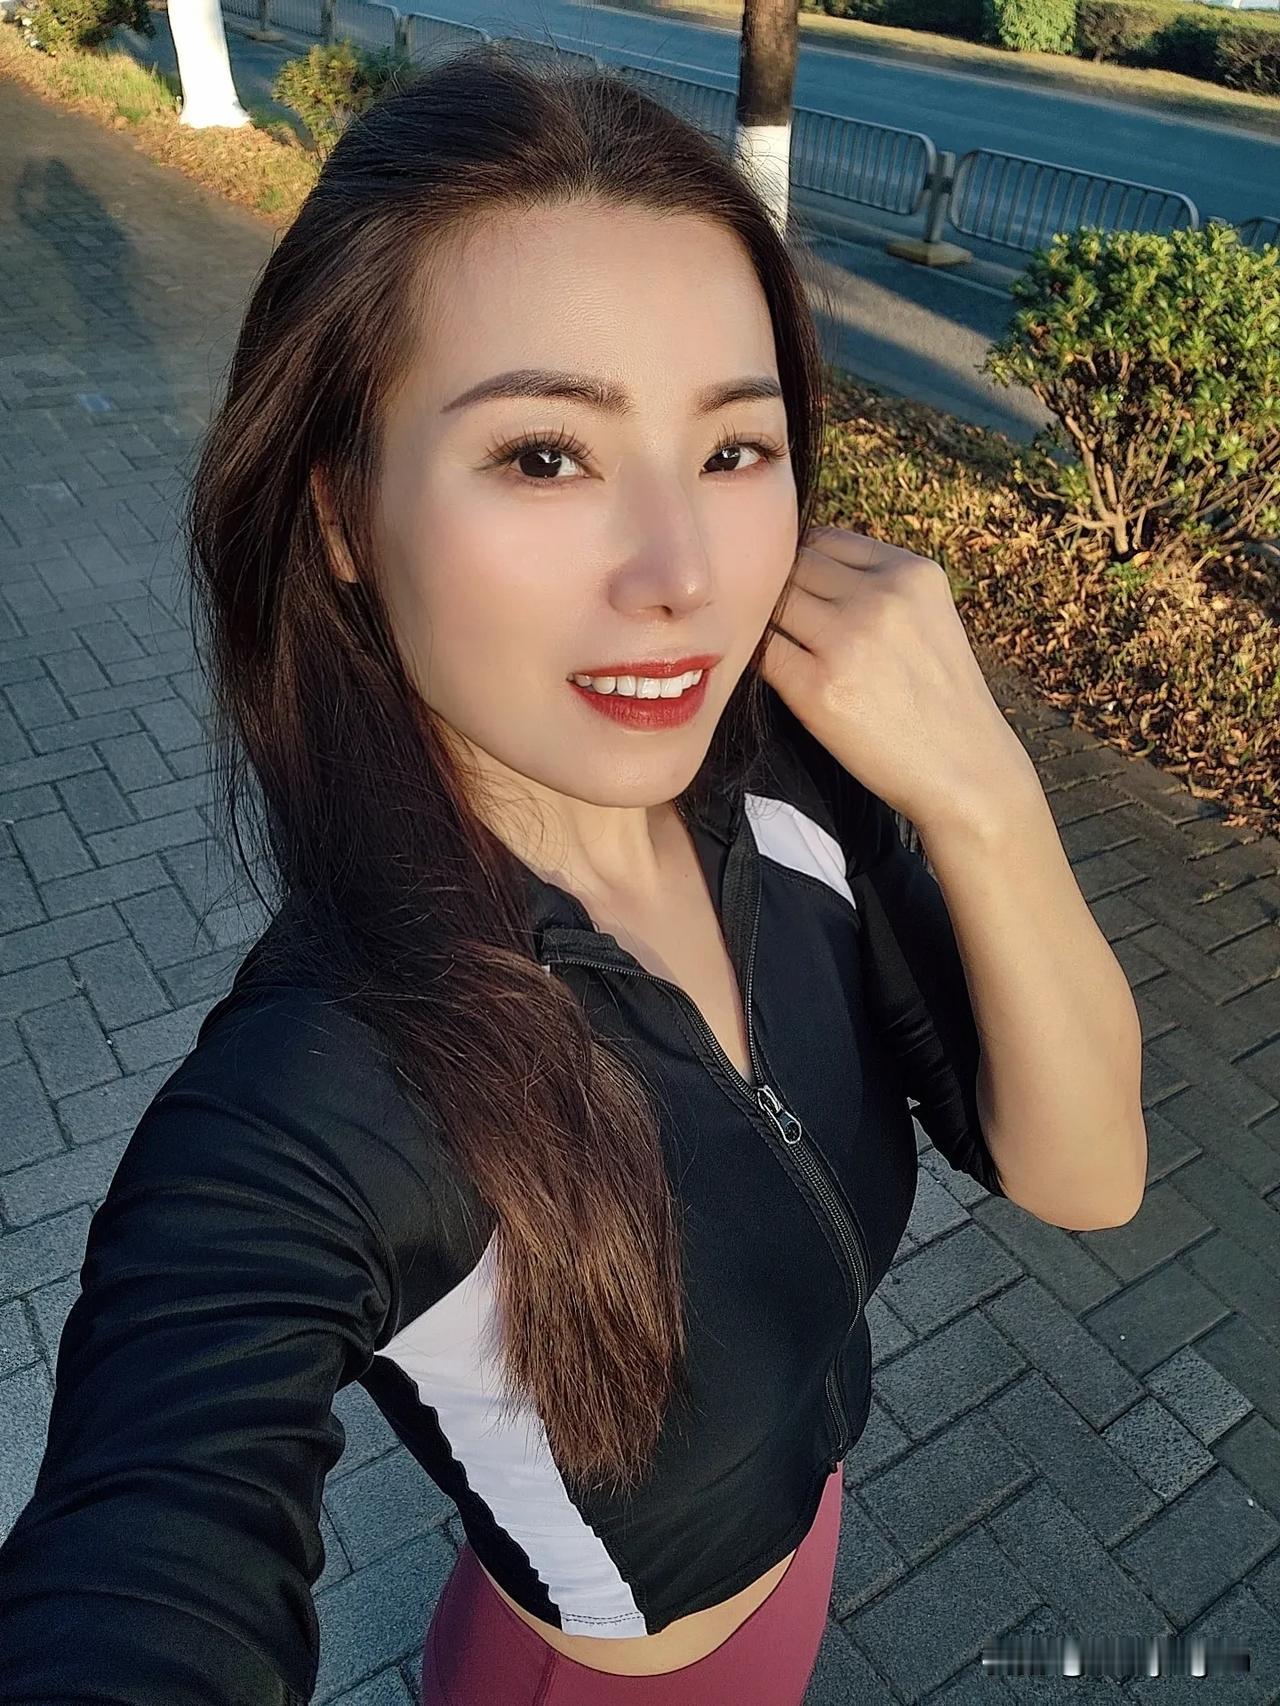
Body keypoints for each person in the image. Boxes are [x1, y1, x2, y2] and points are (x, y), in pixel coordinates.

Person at [0, 42, 1146, 1706]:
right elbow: (144, 1549)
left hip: (805, 1557)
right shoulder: (320, 1095)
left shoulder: (796, 785)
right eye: (546, 454)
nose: (682, 576)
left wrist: (982, 787)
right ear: (342, 513)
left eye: (735, 451)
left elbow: (1087, 1174)